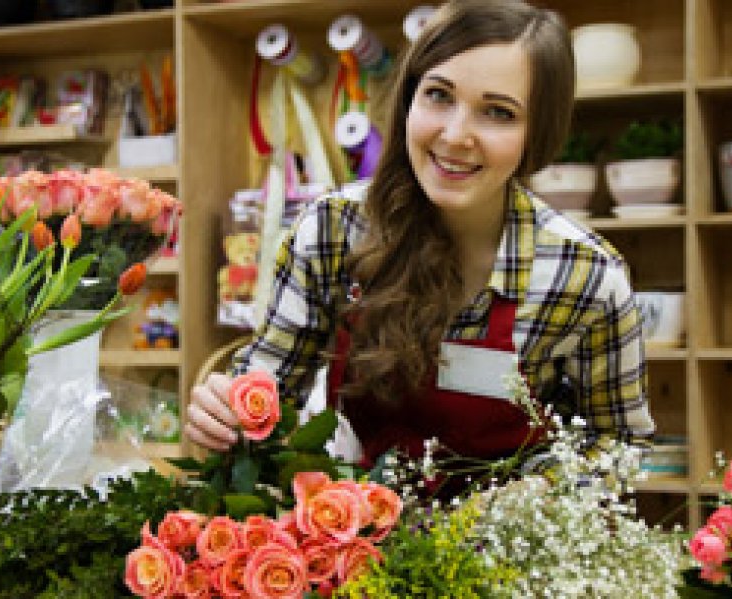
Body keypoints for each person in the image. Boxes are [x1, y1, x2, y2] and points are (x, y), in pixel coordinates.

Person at [187, 0, 655, 465]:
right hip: (354, 527)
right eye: (439, 95)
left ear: (539, 133)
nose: (454, 135)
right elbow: (270, 388)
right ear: (409, 98)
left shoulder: (586, 279)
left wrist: (528, 508)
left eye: (498, 112)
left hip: (507, 535)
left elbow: (617, 447)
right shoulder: (333, 230)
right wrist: (227, 411)